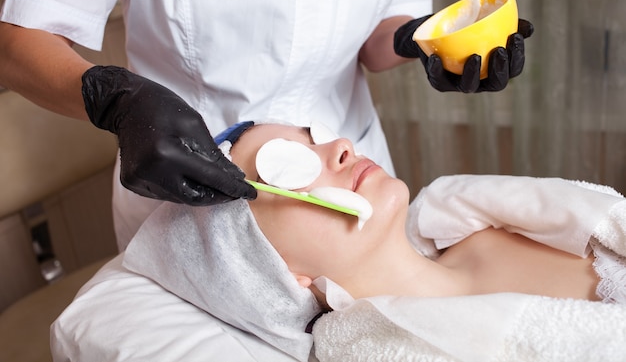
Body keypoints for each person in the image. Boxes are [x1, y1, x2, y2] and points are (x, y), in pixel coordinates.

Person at [0, 0, 533, 251]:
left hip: (350, 168)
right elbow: (23, 41)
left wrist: (416, 39)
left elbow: (376, 31)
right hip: (189, 180)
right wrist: (116, 101)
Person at [221, 121, 625, 305]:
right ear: (276, 270)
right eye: (285, 167)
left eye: (315, 135)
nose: (341, 144)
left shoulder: (484, 223)